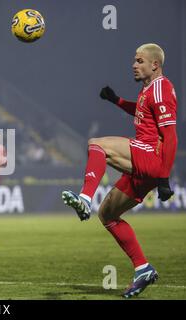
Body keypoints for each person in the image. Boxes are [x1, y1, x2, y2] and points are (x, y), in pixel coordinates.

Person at [62, 43, 177, 298]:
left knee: (97, 145)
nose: (134, 65)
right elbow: (140, 112)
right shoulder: (149, 89)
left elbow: (170, 136)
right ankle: (143, 268)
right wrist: (116, 100)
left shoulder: (161, 88)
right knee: (108, 214)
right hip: (143, 160)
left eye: (139, 61)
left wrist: (164, 177)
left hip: (150, 156)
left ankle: (84, 198)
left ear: (154, 64)